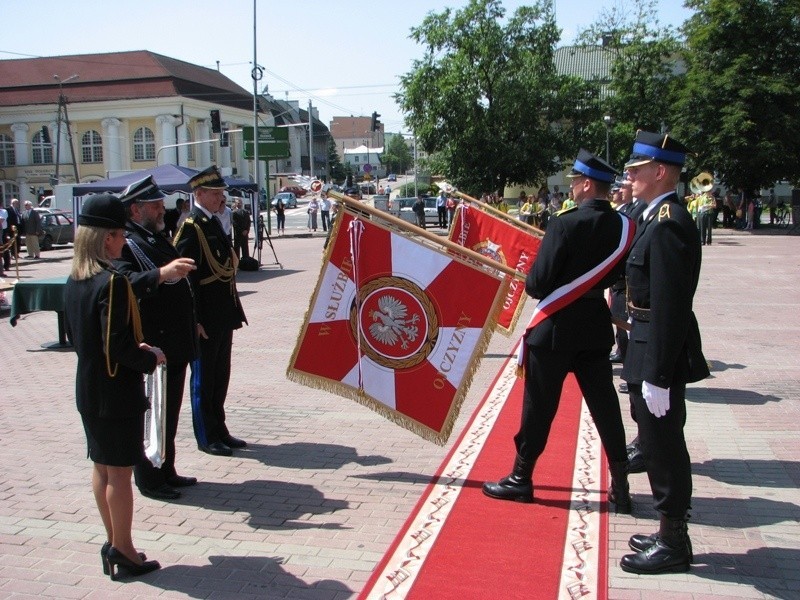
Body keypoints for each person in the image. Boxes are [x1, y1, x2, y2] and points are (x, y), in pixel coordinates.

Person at [483, 149, 634, 516]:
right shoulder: (625, 226)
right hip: (595, 330)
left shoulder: (563, 223)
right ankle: (622, 485)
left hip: (553, 332)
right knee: (606, 409)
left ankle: (521, 478)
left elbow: (537, 284)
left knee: (539, 408)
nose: (574, 190)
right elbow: (615, 276)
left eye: (575, 184)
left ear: (585, 185)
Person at [618, 131, 709, 575]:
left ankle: (675, 540)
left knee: (663, 444)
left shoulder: (670, 221)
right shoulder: (655, 216)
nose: (630, 177)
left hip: (657, 348)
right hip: (645, 341)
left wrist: (657, 372)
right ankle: (666, 530)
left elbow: (671, 304)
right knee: (655, 442)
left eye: (637, 170)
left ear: (659, 172)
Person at [64, 193, 164, 580]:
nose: (124, 242)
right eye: (121, 234)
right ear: (107, 238)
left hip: (88, 387)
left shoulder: (75, 280)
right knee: (120, 474)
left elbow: (82, 337)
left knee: (103, 469)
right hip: (116, 390)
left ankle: (114, 542)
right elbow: (117, 346)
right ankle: (123, 549)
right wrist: (149, 357)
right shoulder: (114, 282)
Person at [113, 176, 200, 501]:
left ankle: (166, 469)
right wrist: (162, 274)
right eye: (154, 205)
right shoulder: (128, 241)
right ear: (136, 209)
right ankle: (149, 479)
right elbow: (123, 282)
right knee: (154, 414)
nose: (161, 208)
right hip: (154, 343)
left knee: (170, 412)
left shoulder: (154, 236)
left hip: (174, 344)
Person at [174, 166, 248, 456]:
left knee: (220, 376)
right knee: (204, 380)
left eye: (221, 193)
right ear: (199, 194)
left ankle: (220, 428)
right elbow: (185, 278)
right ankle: (207, 435)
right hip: (205, 316)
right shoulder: (190, 227)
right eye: (216, 194)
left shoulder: (212, 222)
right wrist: (194, 319)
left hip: (222, 312)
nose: (221, 199)